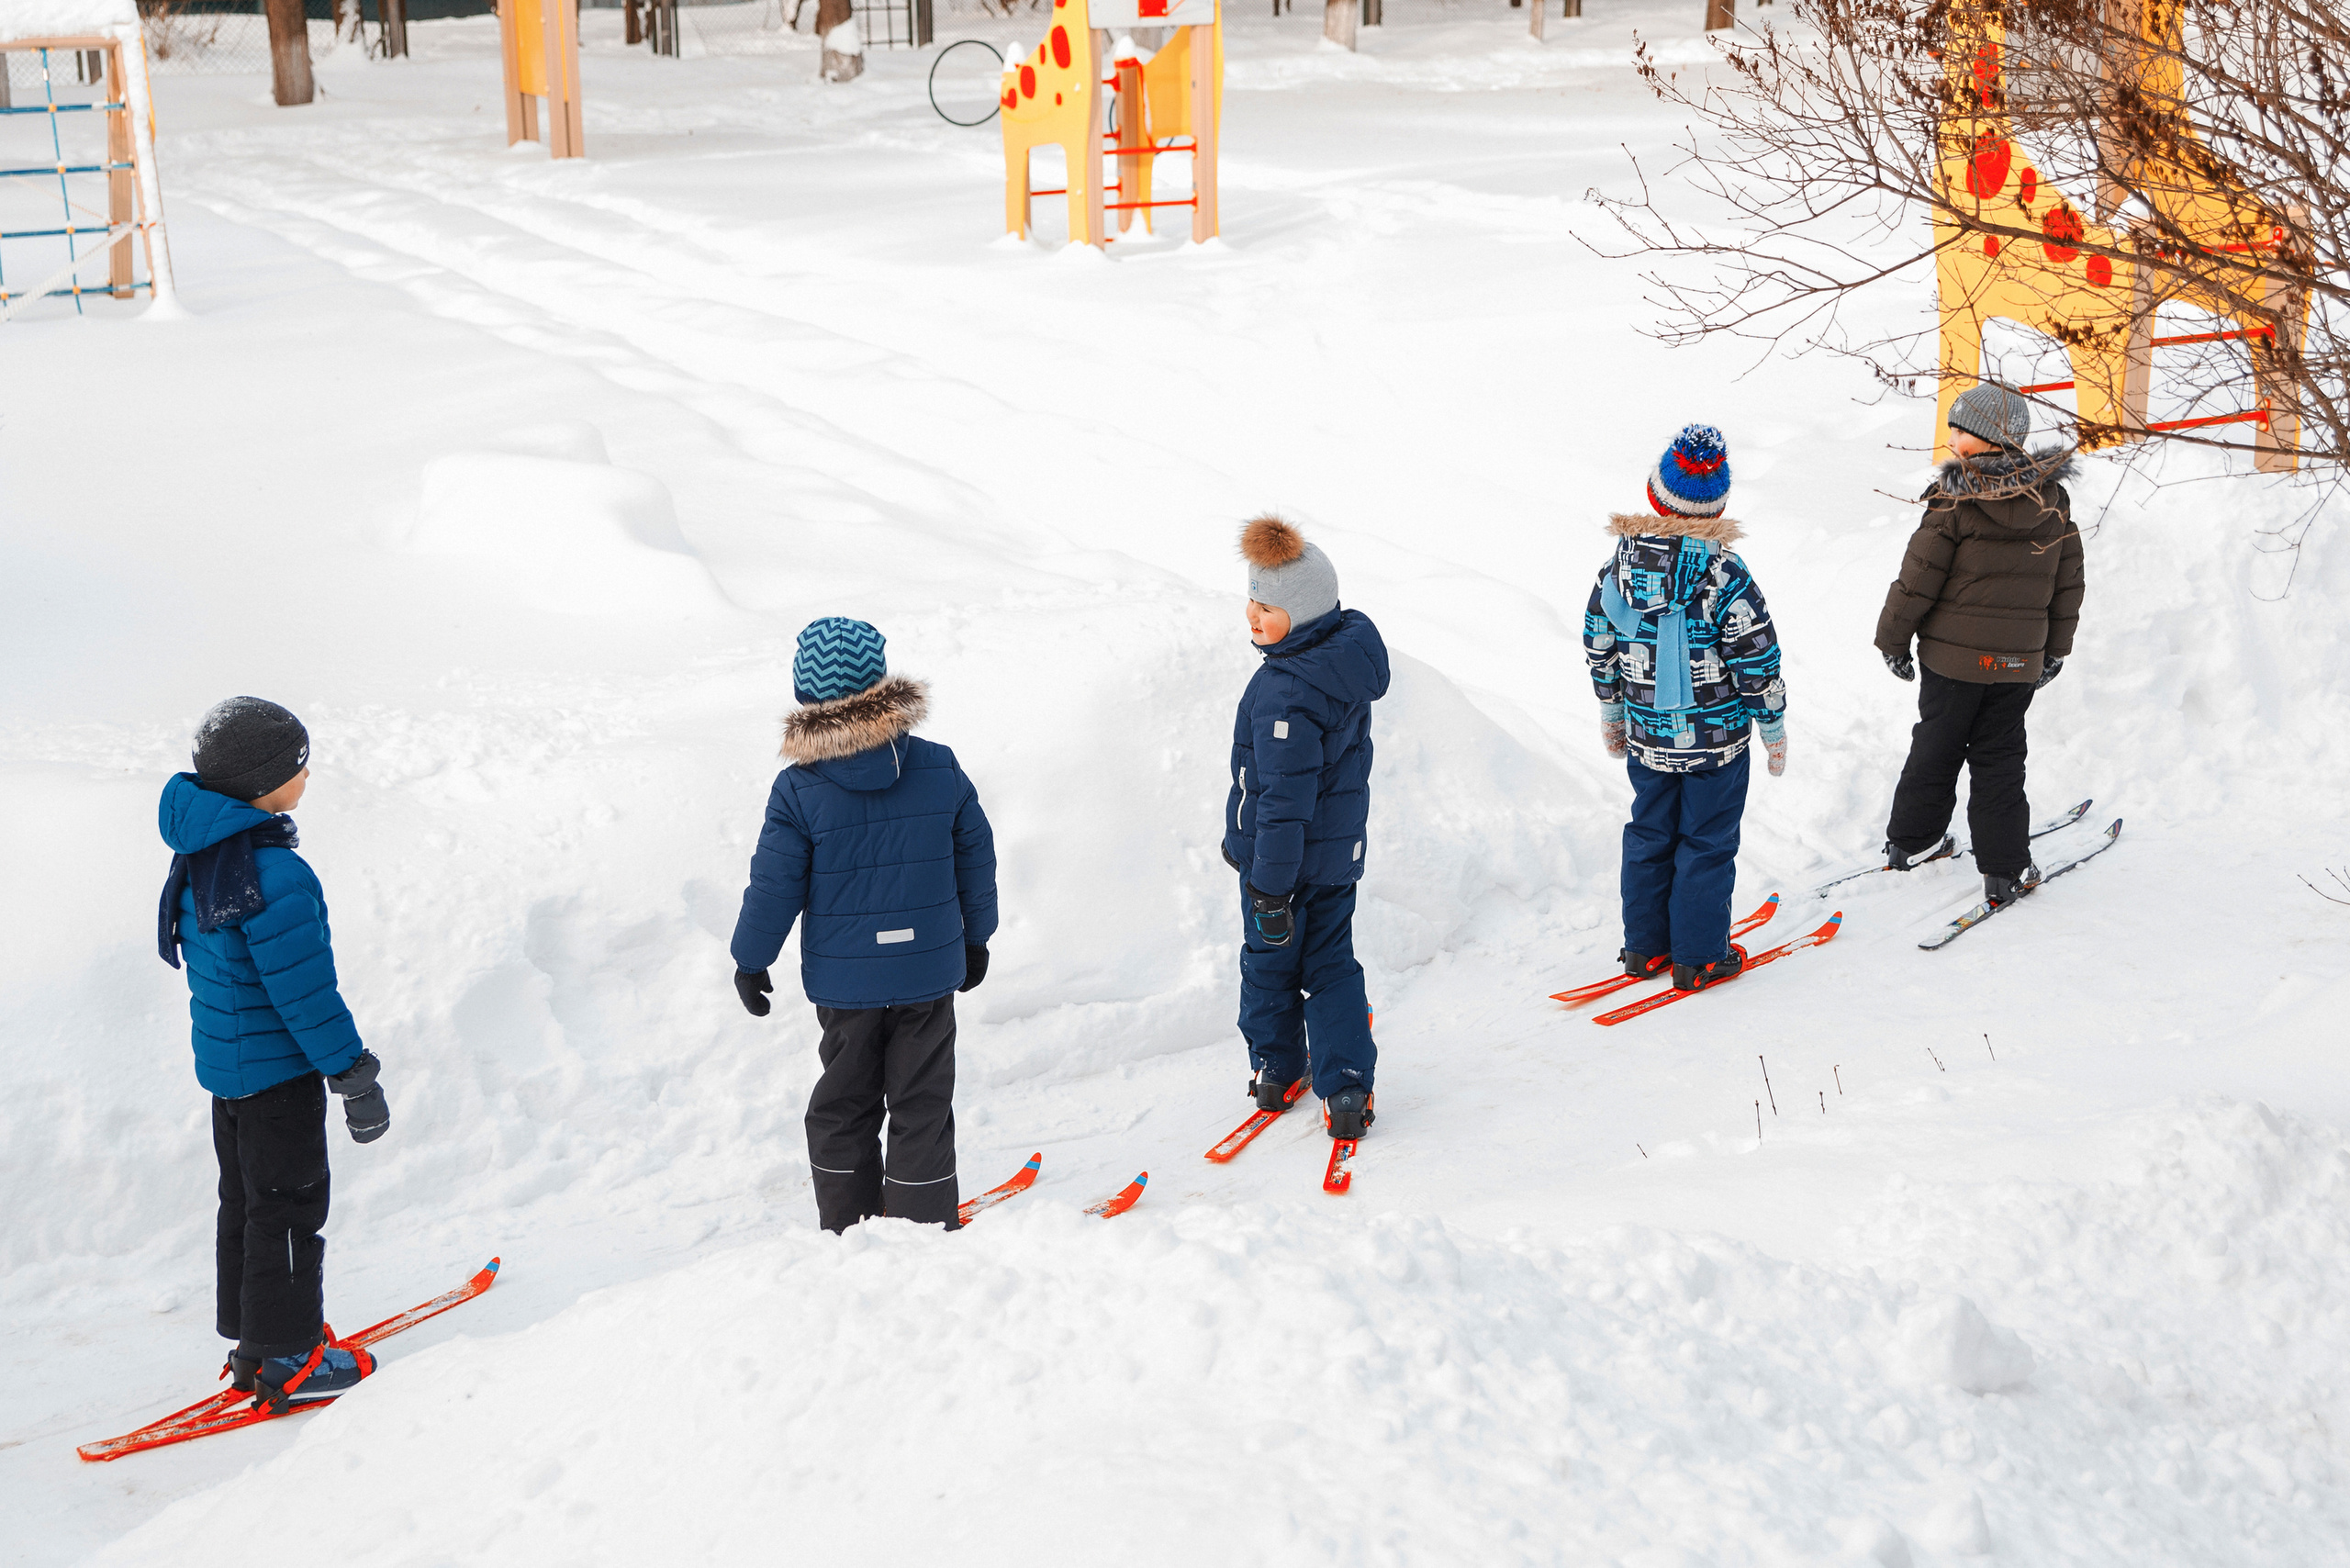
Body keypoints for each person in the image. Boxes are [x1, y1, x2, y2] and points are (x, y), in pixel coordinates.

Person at [730, 618, 998, 1232]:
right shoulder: (937, 766)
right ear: (880, 685)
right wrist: (977, 937)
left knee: (844, 1103)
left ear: (805, 695)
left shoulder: (798, 789)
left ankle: (849, 1230)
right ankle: (920, 1225)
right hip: (927, 969)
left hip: (846, 983)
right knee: (921, 1101)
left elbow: (775, 885)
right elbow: (975, 858)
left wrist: (751, 959)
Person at [159, 697, 389, 1411]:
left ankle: (257, 1344)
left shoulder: (207, 853)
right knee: (289, 1211)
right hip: (277, 1079)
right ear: (262, 783)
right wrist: (353, 1073)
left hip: (230, 1075)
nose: (308, 774)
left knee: (249, 1205)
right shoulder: (273, 874)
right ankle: (290, 1360)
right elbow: (304, 996)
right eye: (297, 765)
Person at [1583, 424, 1787, 991]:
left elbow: (1600, 643)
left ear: (1654, 497)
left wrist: (1612, 710)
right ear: (1717, 509)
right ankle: (1697, 957)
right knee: (1707, 841)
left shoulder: (1617, 571)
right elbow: (1756, 656)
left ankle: (1645, 947)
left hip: (1648, 738)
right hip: (1717, 744)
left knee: (1649, 834)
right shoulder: (1725, 575)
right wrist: (1771, 723)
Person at [1875, 381, 2085, 907]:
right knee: (2000, 759)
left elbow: (1917, 579)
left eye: (1960, 430)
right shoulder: (2052, 500)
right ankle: (2005, 869)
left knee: (1936, 746)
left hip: (1950, 661)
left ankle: (1913, 843)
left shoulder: (1954, 498)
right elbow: (2068, 585)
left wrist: (1893, 640)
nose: (1951, 439)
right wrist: (2055, 650)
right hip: (2016, 663)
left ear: (1990, 438)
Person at [1222, 516, 1390, 1140]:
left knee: (1270, 966)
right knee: (1330, 965)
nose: (1253, 615)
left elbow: (1282, 801)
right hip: (1334, 858)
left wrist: (1269, 885)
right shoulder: (1337, 663)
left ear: (1305, 613)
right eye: (1252, 601)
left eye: (1268, 608)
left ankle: (1276, 1069)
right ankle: (1346, 1085)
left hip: (1282, 867)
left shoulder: (1287, 692)